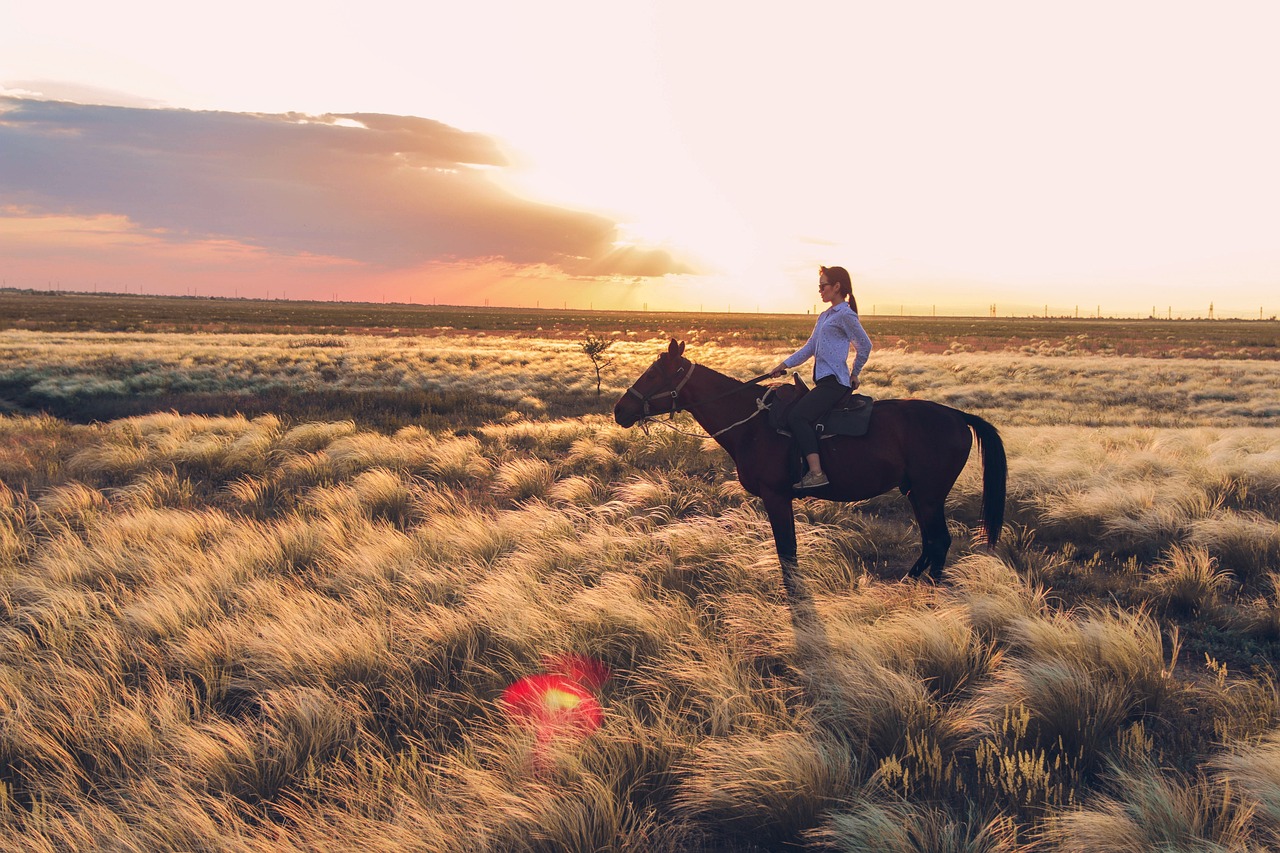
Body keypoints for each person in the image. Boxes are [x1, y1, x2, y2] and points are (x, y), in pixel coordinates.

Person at [769, 266, 872, 489]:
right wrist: (783, 365)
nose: (820, 290)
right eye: (819, 286)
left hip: (834, 382)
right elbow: (810, 348)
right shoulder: (825, 315)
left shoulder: (845, 315)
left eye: (823, 285)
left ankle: (816, 473)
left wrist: (855, 373)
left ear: (837, 287)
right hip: (824, 381)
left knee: (797, 417)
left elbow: (864, 345)